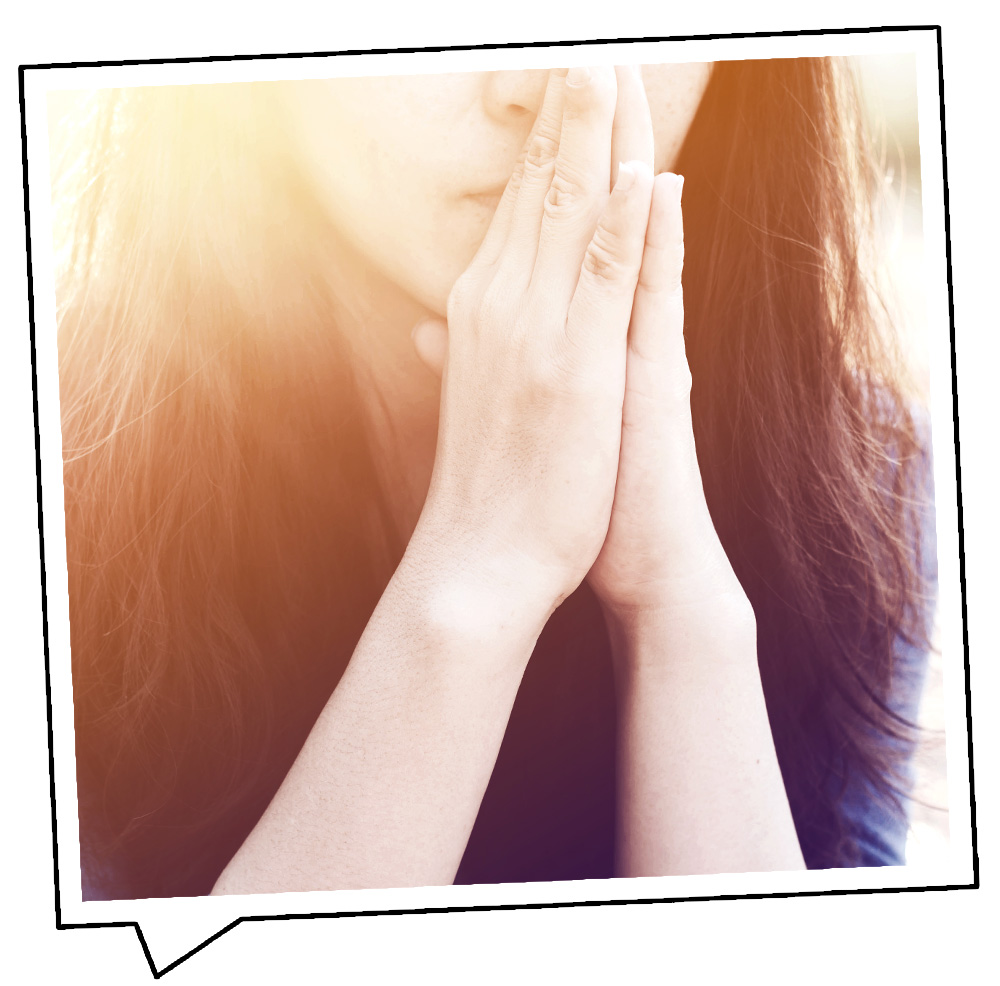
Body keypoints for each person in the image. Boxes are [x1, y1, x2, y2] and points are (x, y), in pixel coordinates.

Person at [51, 58, 937, 901]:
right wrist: (480, 573)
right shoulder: (61, 471)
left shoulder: (861, 474)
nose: (531, 87)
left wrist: (681, 616)